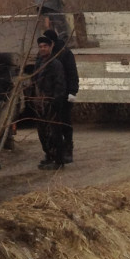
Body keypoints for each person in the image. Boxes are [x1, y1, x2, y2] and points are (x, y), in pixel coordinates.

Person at [29, 29, 68, 169]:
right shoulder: (39, 63)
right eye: (40, 46)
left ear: (50, 47)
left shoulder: (55, 64)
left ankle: (58, 160)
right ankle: (49, 156)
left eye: (45, 46)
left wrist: (56, 101)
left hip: (51, 103)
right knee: (43, 133)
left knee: (54, 132)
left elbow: (60, 84)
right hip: (40, 104)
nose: (42, 48)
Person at [55, 28, 80, 165]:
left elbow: (72, 74)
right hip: (52, 95)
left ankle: (68, 148)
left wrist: (72, 92)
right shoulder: (46, 55)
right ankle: (57, 151)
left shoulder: (64, 53)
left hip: (64, 95)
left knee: (65, 122)